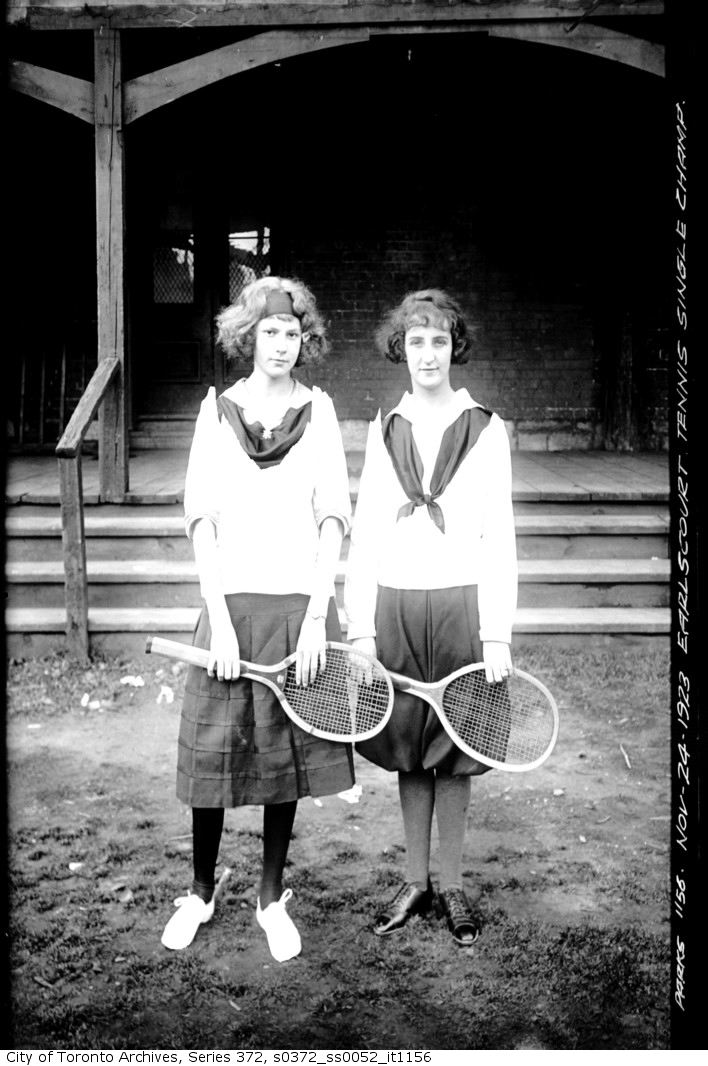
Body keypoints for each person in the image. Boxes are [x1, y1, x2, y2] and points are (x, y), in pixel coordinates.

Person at [161, 276, 353, 961]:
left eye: (292, 333)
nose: (281, 343)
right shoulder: (217, 412)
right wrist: (218, 615)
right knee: (214, 755)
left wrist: (315, 618)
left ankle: (272, 898)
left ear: (306, 341)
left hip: (295, 609)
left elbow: (333, 515)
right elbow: (202, 518)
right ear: (249, 336)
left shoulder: (320, 413)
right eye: (269, 331)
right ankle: (200, 890)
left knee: (285, 759)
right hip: (231, 606)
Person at [344, 289, 517, 947]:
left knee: (458, 746)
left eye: (438, 342)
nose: (427, 355)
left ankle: (452, 883)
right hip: (395, 603)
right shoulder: (385, 427)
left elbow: (499, 534)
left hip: (461, 604)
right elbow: (365, 533)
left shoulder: (487, 428)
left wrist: (495, 629)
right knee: (411, 744)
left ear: (456, 347)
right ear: (400, 349)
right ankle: (415, 879)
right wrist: (361, 626)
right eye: (415, 342)